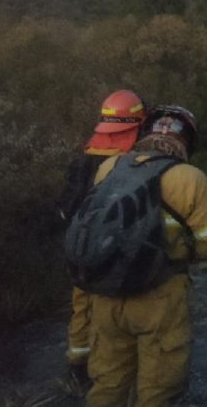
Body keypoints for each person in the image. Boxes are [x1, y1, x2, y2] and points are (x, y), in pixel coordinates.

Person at [85, 105, 207, 407]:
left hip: (106, 293)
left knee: (107, 382)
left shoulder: (110, 167)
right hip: (160, 296)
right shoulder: (191, 178)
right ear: (187, 139)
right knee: (158, 388)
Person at [56, 89, 146, 388]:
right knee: (112, 311)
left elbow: (65, 208)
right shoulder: (129, 163)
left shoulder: (83, 159)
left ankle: (77, 363)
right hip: (111, 256)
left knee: (81, 305)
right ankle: (115, 371)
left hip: (78, 250)